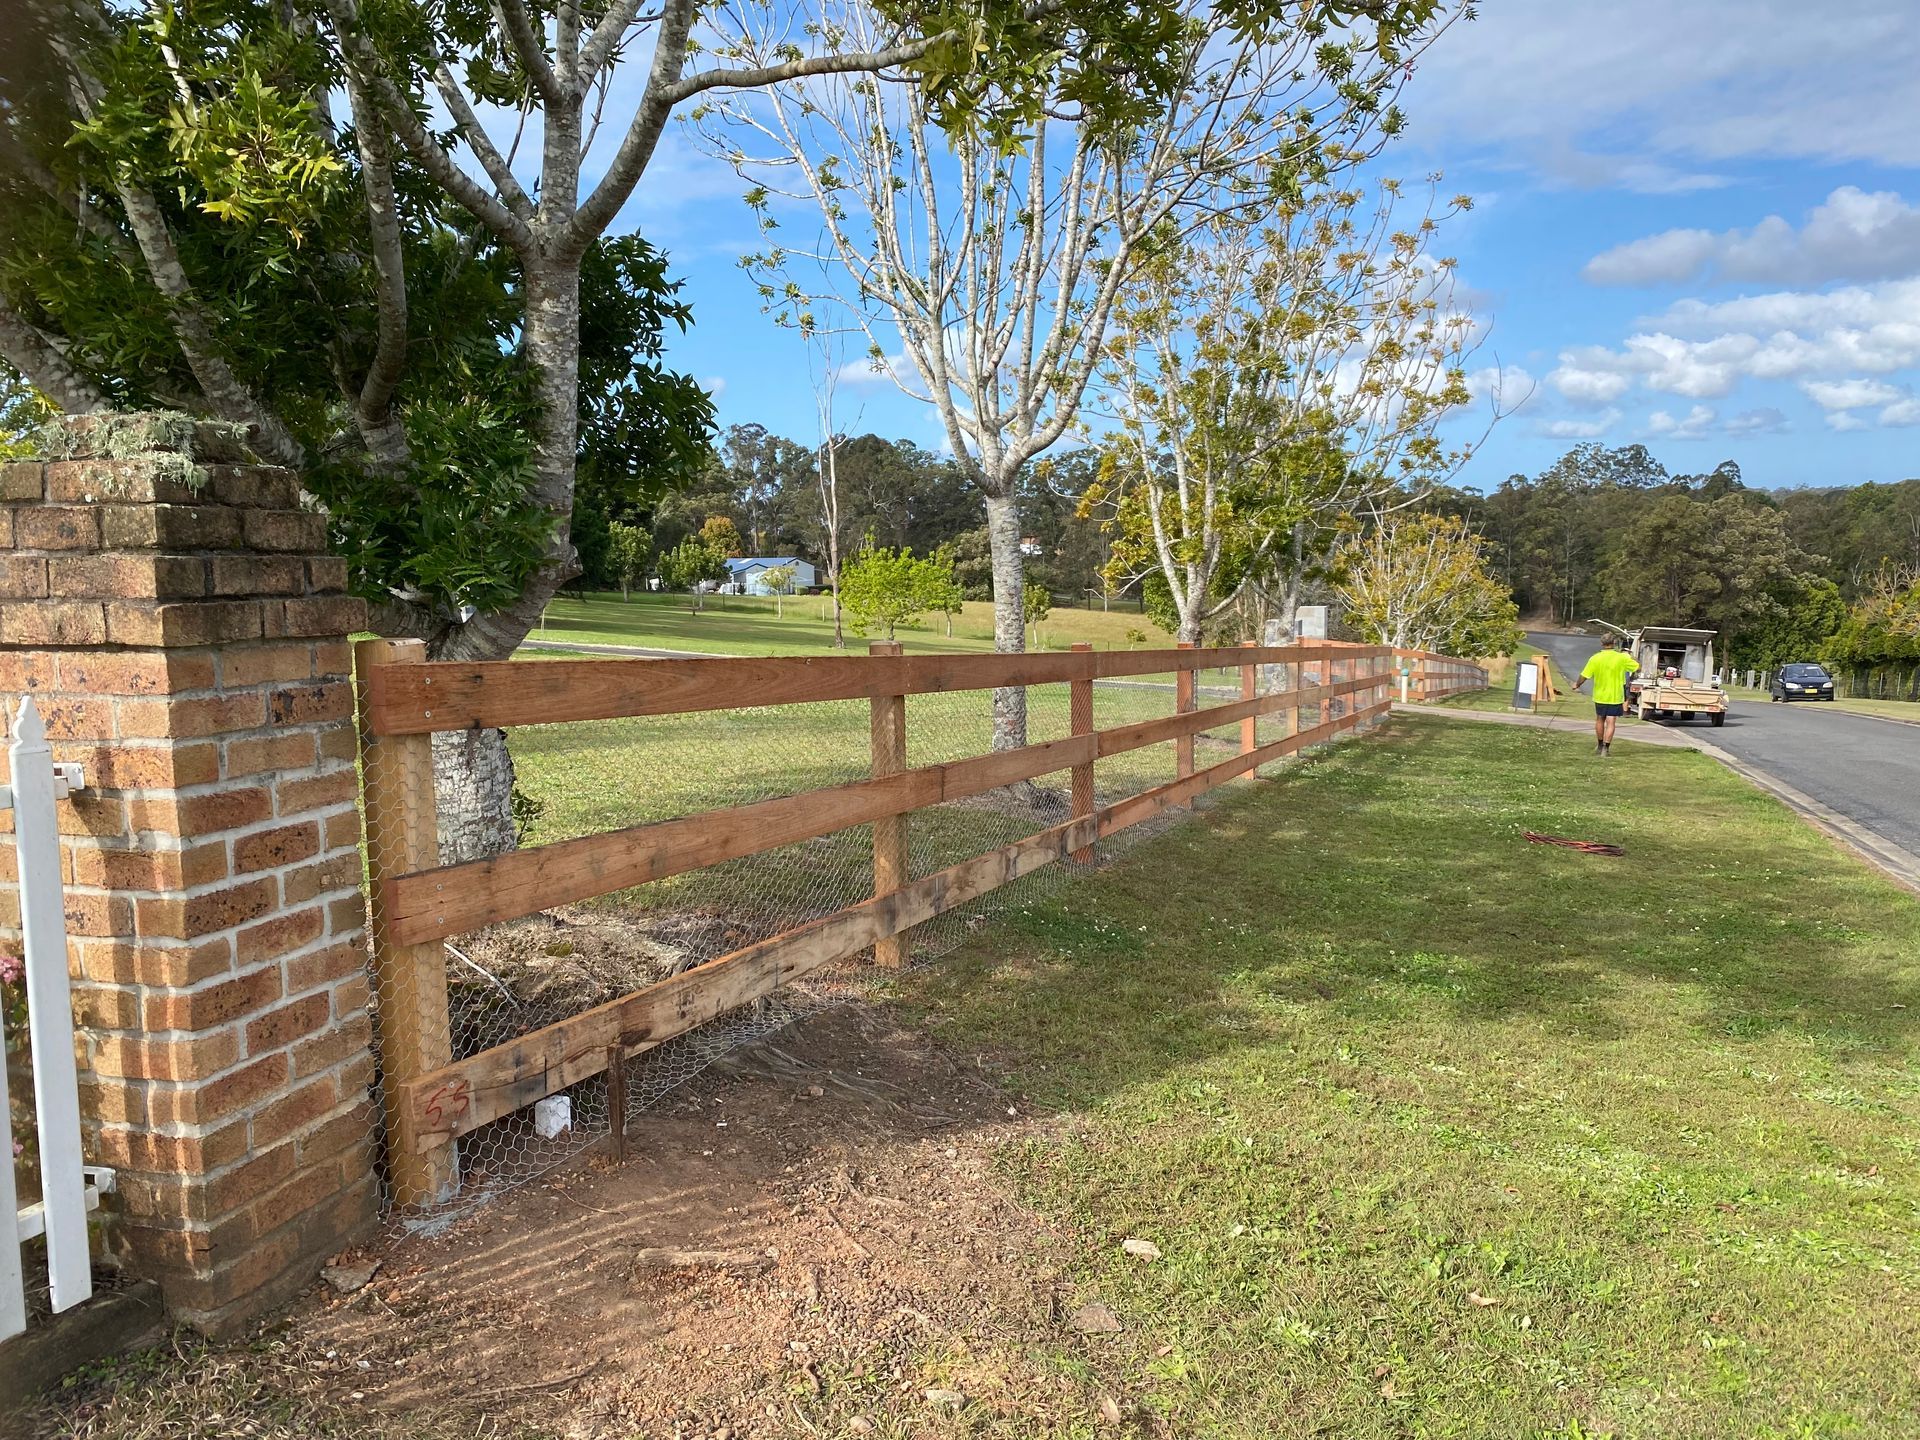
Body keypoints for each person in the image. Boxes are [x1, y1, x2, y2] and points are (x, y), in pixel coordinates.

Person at [1571, 632, 1639, 756]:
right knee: (1611, 721)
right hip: (1615, 695)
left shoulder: (1595, 658)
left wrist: (1577, 684)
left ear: (1602, 644)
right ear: (1614, 643)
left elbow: (1584, 675)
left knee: (1600, 719)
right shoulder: (1622, 658)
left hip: (1600, 694)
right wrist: (1631, 656)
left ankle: (1599, 745)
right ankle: (1606, 749)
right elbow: (1637, 667)